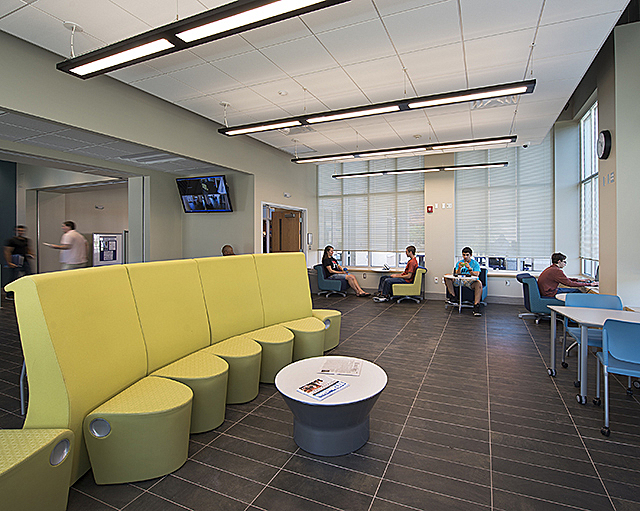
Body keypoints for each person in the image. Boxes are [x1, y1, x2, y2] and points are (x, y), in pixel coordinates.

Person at [445, 246, 483, 316]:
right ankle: (453, 297)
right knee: (447, 276)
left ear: (470, 255)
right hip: (460, 280)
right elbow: (457, 273)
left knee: (479, 283)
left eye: (467, 255)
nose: (465, 257)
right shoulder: (459, 262)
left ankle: (476, 306)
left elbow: (476, 275)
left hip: (470, 282)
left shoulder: (475, 263)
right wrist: (459, 268)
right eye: (464, 255)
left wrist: (470, 269)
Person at [3, 225, 34, 299]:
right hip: (15, 260)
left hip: (24, 260)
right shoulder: (12, 241)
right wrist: (9, 262)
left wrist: (31, 254)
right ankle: (9, 294)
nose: (21, 232)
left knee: (29, 275)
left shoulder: (25, 240)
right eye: (19, 231)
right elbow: (7, 251)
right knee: (13, 277)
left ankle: (29, 292)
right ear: (16, 231)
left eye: (22, 231)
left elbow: (27, 248)